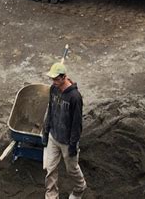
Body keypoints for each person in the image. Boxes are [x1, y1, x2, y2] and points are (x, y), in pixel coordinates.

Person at [42, 61, 86, 199]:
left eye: (56, 79)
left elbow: (76, 123)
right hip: (53, 137)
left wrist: (73, 144)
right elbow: (50, 110)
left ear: (64, 77)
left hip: (67, 141)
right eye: (52, 79)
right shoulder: (53, 89)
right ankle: (51, 195)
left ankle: (79, 188)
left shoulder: (75, 97)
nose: (53, 81)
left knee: (72, 169)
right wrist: (46, 130)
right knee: (50, 169)